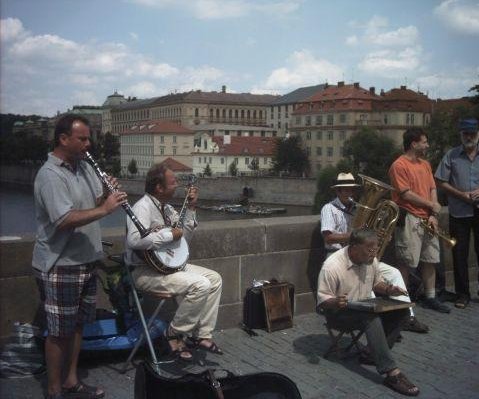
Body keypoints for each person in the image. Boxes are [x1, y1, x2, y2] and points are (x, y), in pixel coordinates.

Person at [32, 114, 127, 399]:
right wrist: (107, 208)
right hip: (61, 263)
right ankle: (54, 390)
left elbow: (91, 205)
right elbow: (63, 219)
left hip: (86, 259)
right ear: (63, 139)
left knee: (77, 327)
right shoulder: (50, 175)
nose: (88, 144)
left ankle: (72, 381)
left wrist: (104, 197)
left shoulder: (84, 168)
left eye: (89, 139)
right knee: (58, 331)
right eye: (82, 139)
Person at [125, 164, 223, 361]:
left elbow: (183, 238)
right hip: (144, 272)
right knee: (201, 284)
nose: (177, 185)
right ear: (159, 188)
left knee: (215, 279)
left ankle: (201, 335)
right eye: (173, 182)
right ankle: (174, 333)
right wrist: (169, 234)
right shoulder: (142, 207)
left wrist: (192, 208)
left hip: (167, 267)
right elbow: (134, 241)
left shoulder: (168, 209)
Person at [320, 172, 428, 333]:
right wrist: (353, 236)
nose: (350, 194)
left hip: (362, 257)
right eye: (346, 190)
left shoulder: (357, 209)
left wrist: (381, 237)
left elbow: (369, 234)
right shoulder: (329, 209)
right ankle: (378, 326)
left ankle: (408, 318)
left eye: (352, 190)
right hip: (340, 258)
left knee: (395, 273)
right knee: (367, 285)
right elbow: (328, 238)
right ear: (338, 191)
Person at [317, 229, 419, 396]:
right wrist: (335, 301)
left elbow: (376, 283)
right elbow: (322, 303)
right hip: (338, 312)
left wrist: (389, 289)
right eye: (369, 250)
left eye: (375, 250)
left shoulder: (371, 259)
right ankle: (391, 372)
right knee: (371, 318)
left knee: (402, 313)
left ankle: (372, 354)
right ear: (355, 248)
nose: (373, 254)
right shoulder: (332, 266)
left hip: (365, 305)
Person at [388, 127, 450, 313]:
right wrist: (431, 206)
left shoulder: (425, 164)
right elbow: (406, 194)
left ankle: (430, 296)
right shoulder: (398, 165)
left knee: (430, 258)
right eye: (424, 142)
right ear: (414, 144)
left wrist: (434, 213)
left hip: (427, 218)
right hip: (409, 218)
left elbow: (432, 188)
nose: (427, 145)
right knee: (406, 262)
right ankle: (402, 301)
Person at [435, 118, 479, 309]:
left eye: (472, 133)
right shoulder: (451, 155)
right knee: (459, 254)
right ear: (461, 135)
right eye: (465, 134)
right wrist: (461, 194)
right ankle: (463, 294)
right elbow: (440, 181)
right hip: (458, 212)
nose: (469, 137)